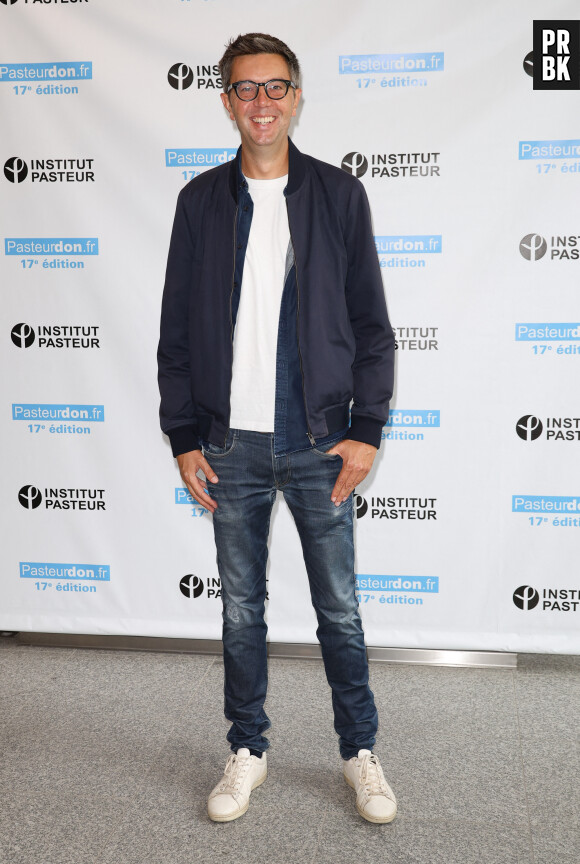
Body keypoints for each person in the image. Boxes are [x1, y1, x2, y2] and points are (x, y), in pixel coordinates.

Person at [158, 32, 396, 825]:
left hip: (321, 440)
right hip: (230, 446)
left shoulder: (337, 196)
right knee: (240, 610)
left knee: (340, 610)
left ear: (297, 97)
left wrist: (368, 428)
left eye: (276, 87)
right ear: (226, 100)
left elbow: (372, 326)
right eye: (245, 88)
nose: (262, 102)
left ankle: (359, 752)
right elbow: (178, 337)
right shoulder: (199, 202)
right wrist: (184, 437)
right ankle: (248, 749)